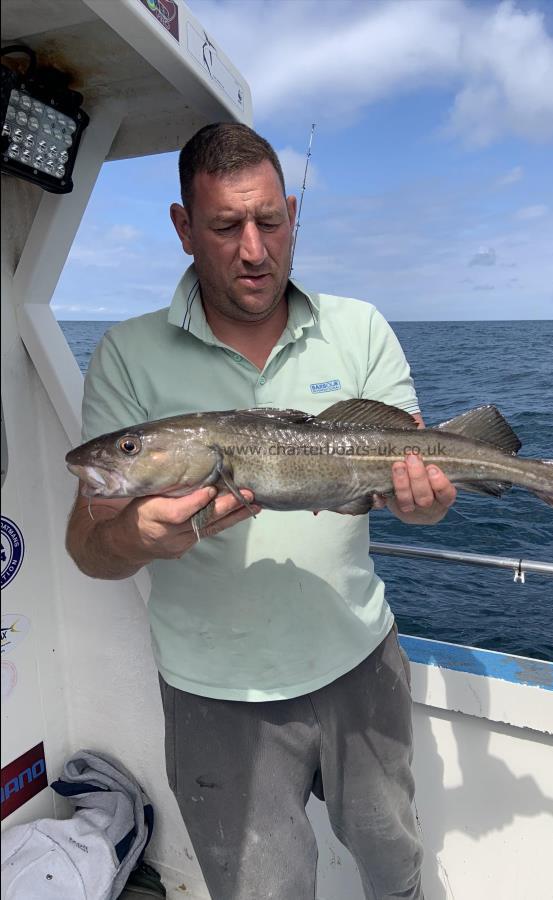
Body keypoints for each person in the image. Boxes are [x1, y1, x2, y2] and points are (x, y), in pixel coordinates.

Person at [66, 123, 456, 900]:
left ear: (292, 215)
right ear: (183, 228)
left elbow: (411, 499)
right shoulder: (126, 356)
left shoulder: (360, 328)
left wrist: (426, 503)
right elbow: (87, 546)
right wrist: (134, 535)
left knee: (395, 867)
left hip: (359, 661)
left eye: (270, 222)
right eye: (225, 227)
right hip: (216, 692)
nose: (254, 250)